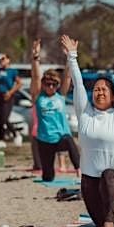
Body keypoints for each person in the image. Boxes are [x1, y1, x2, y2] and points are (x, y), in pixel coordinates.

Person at [62, 29, 114, 227]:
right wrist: (72, 56)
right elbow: (77, 83)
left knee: (108, 175)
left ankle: (111, 220)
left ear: (113, 97)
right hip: (90, 180)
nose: (99, 91)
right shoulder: (85, 114)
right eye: (96, 89)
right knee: (97, 222)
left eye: (104, 89)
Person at [30, 39, 80, 181]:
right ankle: (49, 174)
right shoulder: (39, 97)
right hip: (44, 140)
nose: (51, 87)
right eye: (48, 84)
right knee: (48, 177)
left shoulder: (60, 96)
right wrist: (35, 58)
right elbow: (35, 76)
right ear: (44, 84)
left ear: (57, 85)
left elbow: (68, 76)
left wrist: (70, 56)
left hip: (60, 138)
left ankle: (79, 170)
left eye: (54, 84)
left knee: (70, 141)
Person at [0, 51, 22, 148]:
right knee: (0, 118)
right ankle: (1, 140)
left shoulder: (12, 71)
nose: (2, 61)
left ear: (8, 60)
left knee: (5, 118)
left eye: (4, 59)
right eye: (1, 59)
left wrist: (10, 92)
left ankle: (16, 134)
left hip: (7, 96)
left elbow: (19, 83)